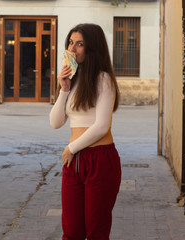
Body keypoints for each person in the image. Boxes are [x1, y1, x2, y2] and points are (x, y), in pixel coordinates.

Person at [50, 23, 121, 240]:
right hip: (74, 162)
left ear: (92, 47)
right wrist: (64, 88)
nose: (73, 48)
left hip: (99, 160)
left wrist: (71, 148)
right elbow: (55, 122)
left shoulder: (103, 79)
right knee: (71, 231)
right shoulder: (73, 79)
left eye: (80, 44)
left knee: (96, 231)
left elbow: (102, 126)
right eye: (71, 42)